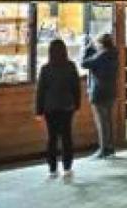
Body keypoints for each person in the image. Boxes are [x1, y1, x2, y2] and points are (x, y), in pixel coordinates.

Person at [35, 39, 82, 178]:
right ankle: (67, 166)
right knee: (67, 136)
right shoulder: (71, 66)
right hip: (67, 106)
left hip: (50, 107)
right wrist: (77, 104)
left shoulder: (45, 69)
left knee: (52, 138)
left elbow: (41, 91)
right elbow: (76, 88)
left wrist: (38, 110)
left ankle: (52, 168)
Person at [82, 33, 118, 159]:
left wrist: (87, 49)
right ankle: (110, 147)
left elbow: (84, 63)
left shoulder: (101, 55)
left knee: (101, 122)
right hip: (110, 91)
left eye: (97, 43)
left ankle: (103, 149)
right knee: (108, 120)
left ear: (102, 44)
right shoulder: (114, 54)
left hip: (99, 92)